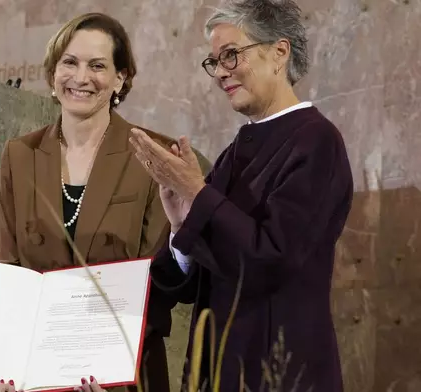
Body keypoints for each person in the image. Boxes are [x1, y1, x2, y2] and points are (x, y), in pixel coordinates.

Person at [129, 1, 353, 391]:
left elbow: (271, 258)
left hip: (279, 372)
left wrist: (196, 192)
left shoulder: (316, 141)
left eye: (231, 55)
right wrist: (182, 226)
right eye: (213, 61)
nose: (220, 73)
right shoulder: (236, 151)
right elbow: (194, 282)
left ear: (279, 53)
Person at [0, 12, 180, 392]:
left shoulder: (153, 154)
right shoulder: (19, 155)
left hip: (124, 376)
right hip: (36, 380)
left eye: (97, 66)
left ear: (120, 78)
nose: (81, 78)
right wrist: (10, 366)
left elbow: (158, 279)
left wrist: (101, 363)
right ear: (52, 73)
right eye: (70, 63)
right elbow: (9, 271)